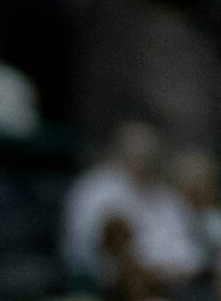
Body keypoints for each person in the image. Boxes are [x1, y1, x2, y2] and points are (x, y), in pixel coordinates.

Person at [61, 123, 202, 288]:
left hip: (177, 281)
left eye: (149, 156)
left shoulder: (167, 196)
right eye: (137, 155)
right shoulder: (94, 191)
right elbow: (84, 250)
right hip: (113, 287)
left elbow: (189, 245)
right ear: (119, 153)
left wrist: (182, 267)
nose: (144, 162)